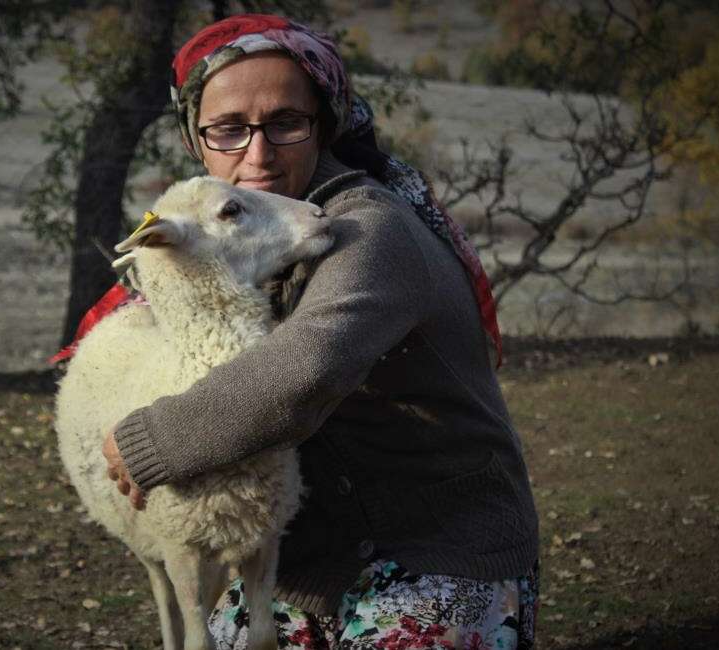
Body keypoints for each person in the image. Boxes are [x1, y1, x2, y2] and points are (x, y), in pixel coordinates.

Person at [99, 13, 540, 650]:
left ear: (324, 124)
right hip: (310, 564)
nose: (257, 155)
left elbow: (308, 368)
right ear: (197, 140)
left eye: (285, 123)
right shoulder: (228, 238)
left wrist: (152, 439)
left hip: (437, 548)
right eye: (229, 129)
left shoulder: (368, 229)